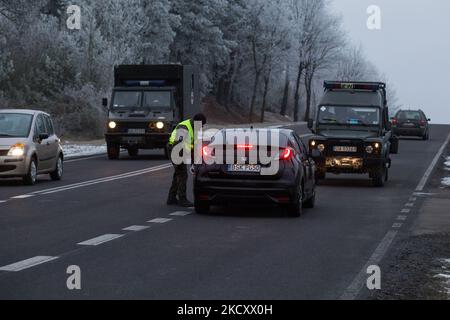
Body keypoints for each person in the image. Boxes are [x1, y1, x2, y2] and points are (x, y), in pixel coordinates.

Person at [167, 113, 207, 207]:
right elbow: (178, 145)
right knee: (182, 175)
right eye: (201, 124)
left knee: (178, 174)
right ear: (197, 122)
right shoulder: (184, 127)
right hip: (175, 150)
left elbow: (194, 146)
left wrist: (194, 162)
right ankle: (182, 199)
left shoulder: (195, 128)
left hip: (182, 151)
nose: (202, 127)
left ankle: (171, 198)